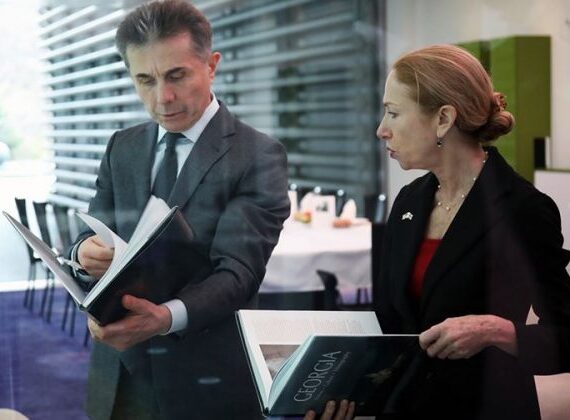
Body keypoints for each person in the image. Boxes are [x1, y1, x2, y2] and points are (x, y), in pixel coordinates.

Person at [69, 1, 290, 419]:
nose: (162, 98)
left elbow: (238, 273)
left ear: (212, 66)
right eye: (145, 80)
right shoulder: (122, 146)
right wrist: (83, 253)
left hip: (204, 375)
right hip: (119, 373)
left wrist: (164, 318)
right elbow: (89, 233)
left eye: (176, 76)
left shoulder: (258, 156)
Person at [372, 44, 570, 420]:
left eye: (393, 113)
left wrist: (497, 331)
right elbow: (387, 323)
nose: (382, 130)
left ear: (444, 119)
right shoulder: (409, 200)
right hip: (406, 406)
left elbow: (564, 337)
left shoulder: (522, 210)